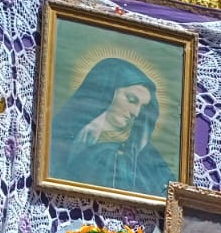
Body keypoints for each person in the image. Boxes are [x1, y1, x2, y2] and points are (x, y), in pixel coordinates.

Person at [49, 58, 173, 197]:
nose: (136, 113)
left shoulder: (145, 155)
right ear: (106, 92)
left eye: (142, 107)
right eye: (132, 100)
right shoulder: (58, 136)